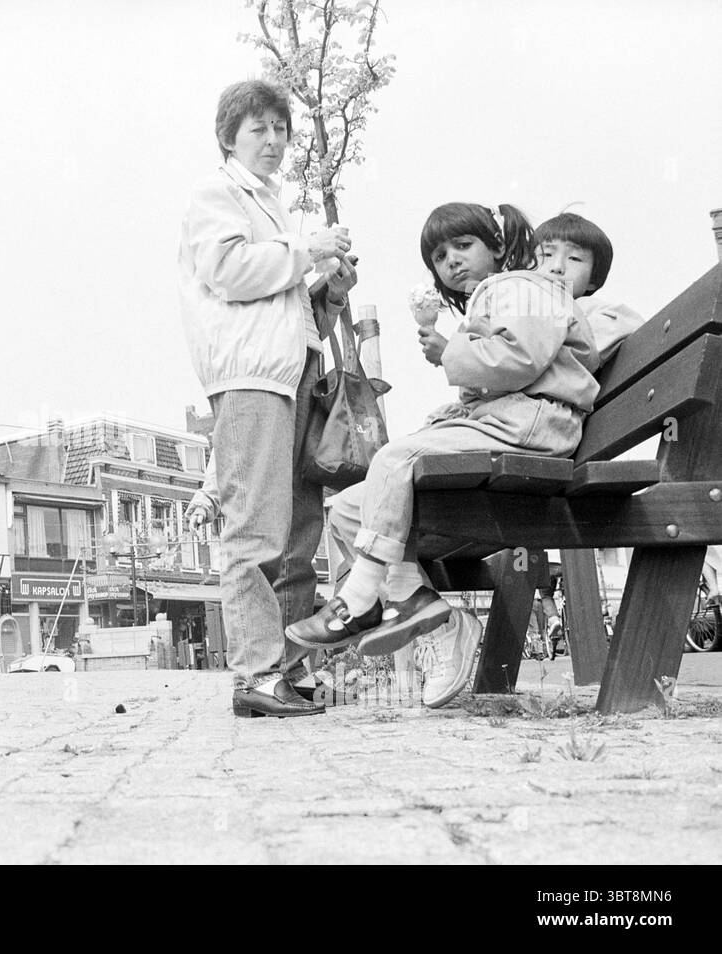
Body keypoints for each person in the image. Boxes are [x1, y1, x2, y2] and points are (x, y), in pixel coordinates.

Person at [288, 202, 600, 675]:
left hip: (534, 425)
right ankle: (431, 617)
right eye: (438, 255)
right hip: (512, 421)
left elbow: (521, 359)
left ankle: (358, 600)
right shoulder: (497, 295)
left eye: (463, 245)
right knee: (352, 507)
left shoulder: (524, 286)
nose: (451, 260)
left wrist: (451, 352)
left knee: (395, 459)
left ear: (497, 246)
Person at [411, 212, 644, 705]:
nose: (557, 266)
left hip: (547, 452)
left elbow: (541, 363)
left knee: (402, 495)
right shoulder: (535, 306)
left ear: (595, 275)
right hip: (538, 444)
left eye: (574, 259)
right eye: (546, 256)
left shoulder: (597, 312)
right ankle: (438, 627)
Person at [178, 78, 356, 718]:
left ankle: (290, 670)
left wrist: (327, 293)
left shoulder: (274, 207)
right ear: (229, 137)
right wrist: (306, 250)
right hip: (251, 377)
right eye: (259, 129)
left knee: (299, 533)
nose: (274, 141)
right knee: (255, 529)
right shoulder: (217, 194)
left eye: (281, 130)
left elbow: (287, 309)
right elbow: (227, 272)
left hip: (293, 375)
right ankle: (256, 674)